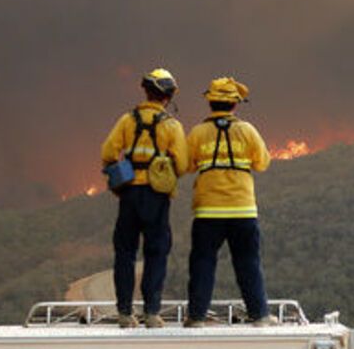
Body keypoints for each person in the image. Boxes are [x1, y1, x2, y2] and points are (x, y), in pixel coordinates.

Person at [184, 76, 277, 327]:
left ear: (210, 103)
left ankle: (197, 317)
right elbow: (262, 162)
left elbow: (185, 165)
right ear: (235, 105)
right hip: (243, 210)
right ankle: (259, 315)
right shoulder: (247, 131)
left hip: (208, 211)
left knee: (202, 264)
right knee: (248, 263)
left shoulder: (198, 132)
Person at [100, 68, 189, 327]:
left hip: (128, 194)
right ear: (168, 96)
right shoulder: (172, 126)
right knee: (156, 252)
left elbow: (108, 152)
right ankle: (151, 312)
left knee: (125, 252)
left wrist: (119, 170)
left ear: (147, 91)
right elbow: (182, 165)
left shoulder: (127, 120)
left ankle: (125, 313)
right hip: (157, 196)